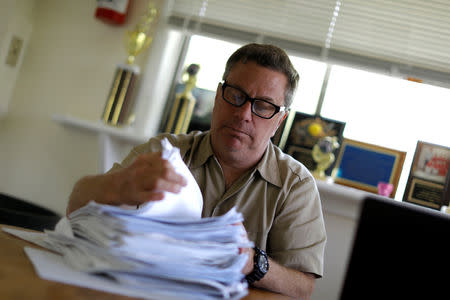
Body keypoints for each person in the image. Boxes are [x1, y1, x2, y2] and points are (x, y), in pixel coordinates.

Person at [67, 43, 326, 299]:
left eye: (264, 106)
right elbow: (76, 207)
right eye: (236, 95)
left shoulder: (295, 185)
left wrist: (252, 262)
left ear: (279, 121)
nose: (244, 114)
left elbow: (303, 286)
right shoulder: (164, 151)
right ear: (217, 95)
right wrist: (119, 187)